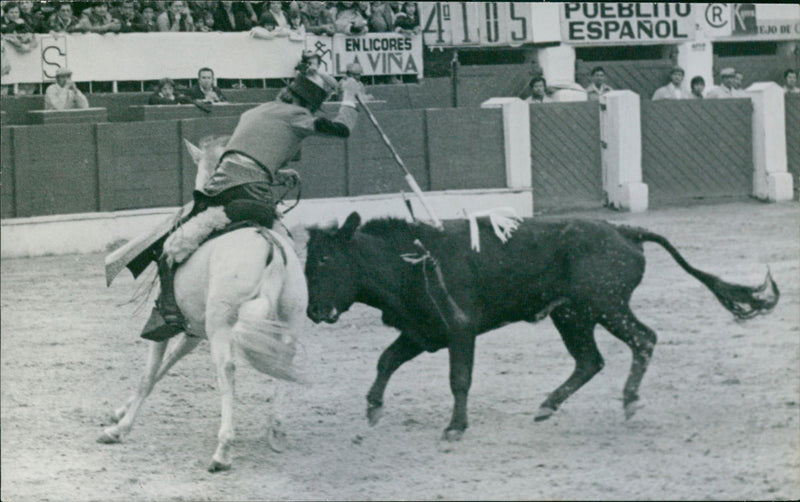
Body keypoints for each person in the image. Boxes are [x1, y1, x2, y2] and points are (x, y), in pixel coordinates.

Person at [138, 71, 366, 341]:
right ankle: (293, 304)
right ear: (308, 105)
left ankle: (167, 309)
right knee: (287, 248)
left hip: (219, 194)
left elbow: (242, 155)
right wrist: (350, 97)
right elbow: (342, 129)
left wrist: (277, 173)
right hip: (257, 200)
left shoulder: (255, 111)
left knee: (173, 244)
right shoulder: (298, 116)